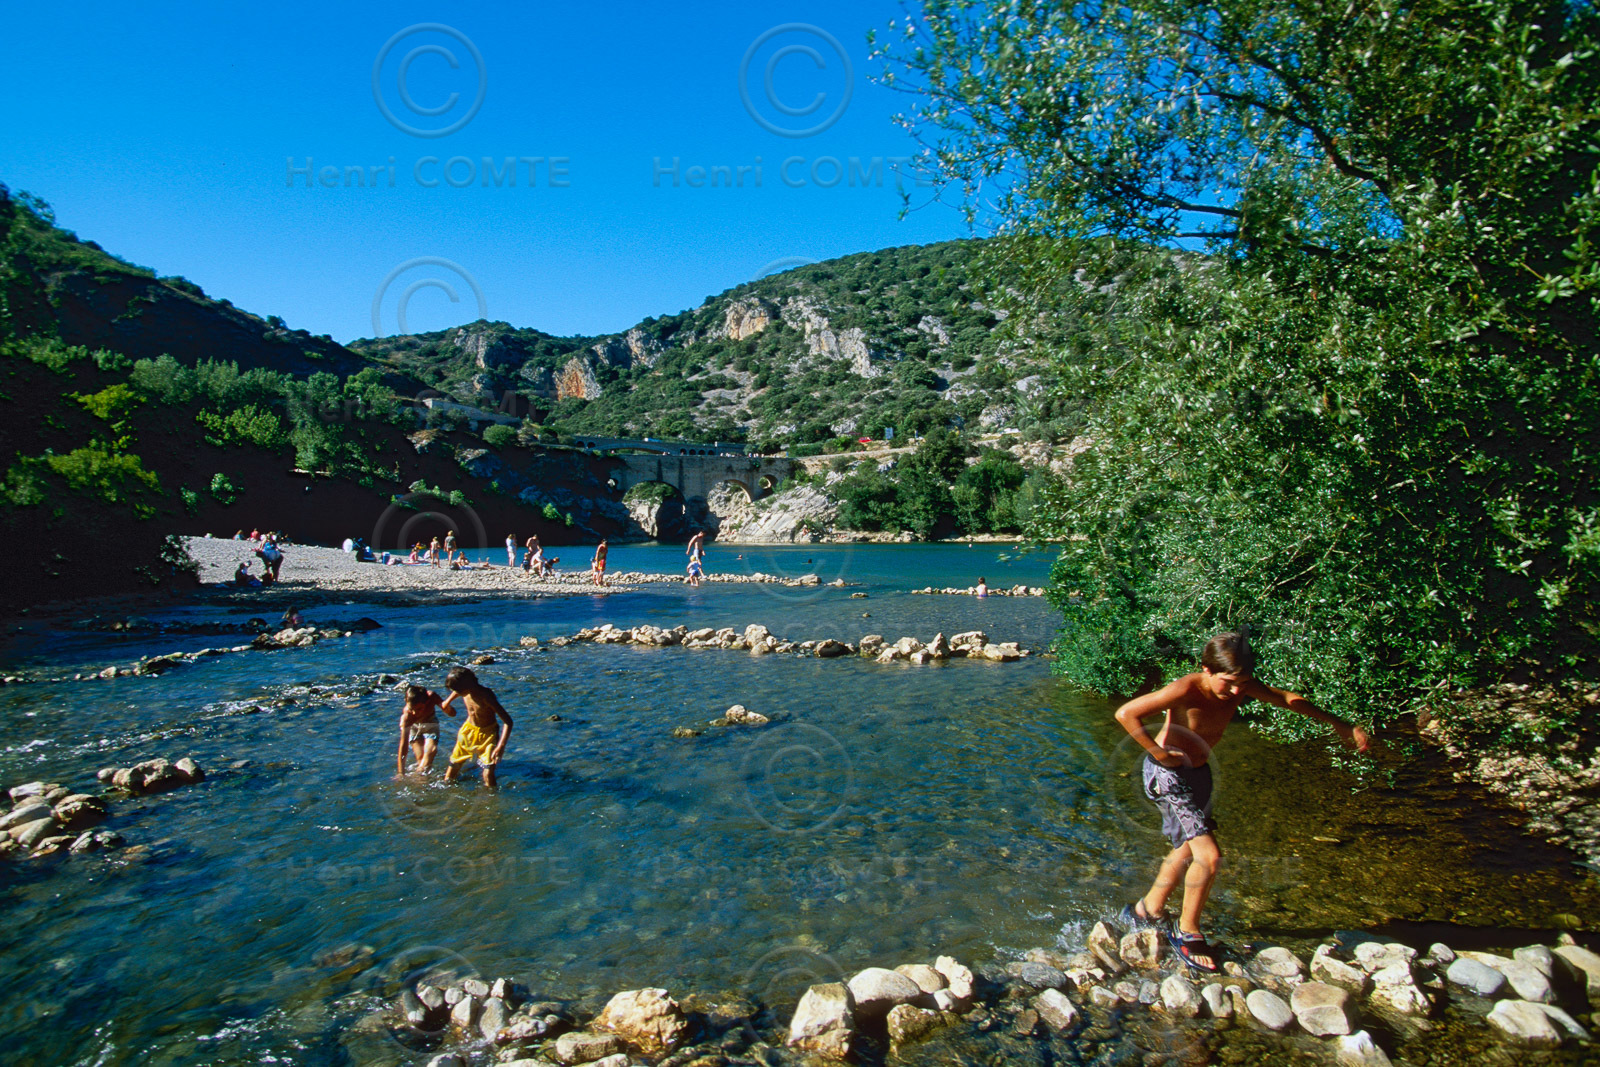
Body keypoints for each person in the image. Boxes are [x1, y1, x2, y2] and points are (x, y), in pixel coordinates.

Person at [1112, 630, 1371, 973]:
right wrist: (1158, 753)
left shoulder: (1241, 685)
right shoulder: (1186, 688)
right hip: (1169, 776)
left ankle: (1147, 910)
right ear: (1206, 669)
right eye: (1229, 683)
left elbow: (1287, 698)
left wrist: (1340, 725)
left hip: (1198, 773)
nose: (1237, 691)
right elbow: (1126, 713)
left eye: (1244, 683)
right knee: (1210, 856)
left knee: (1187, 847)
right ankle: (1187, 932)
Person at [441, 666, 513, 788]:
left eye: (458, 691)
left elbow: (508, 722)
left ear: (466, 686)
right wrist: (447, 702)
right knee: (453, 766)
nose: (457, 693)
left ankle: (492, 796)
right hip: (468, 731)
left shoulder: (486, 696)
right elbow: (457, 691)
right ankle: (446, 789)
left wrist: (501, 746)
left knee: (488, 773)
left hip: (488, 734)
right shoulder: (465, 690)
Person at [397, 684, 450, 775]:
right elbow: (403, 746)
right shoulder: (407, 717)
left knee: (431, 751)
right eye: (411, 709)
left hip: (430, 723)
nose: (414, 713)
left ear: (426, 702)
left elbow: (452, 712)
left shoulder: (431, 697)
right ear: (406, 701)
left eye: (419, 709)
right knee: (421, 759)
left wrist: (448, 708)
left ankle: (420, 777)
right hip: (414, 727)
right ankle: (423, 778)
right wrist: (400, 772)